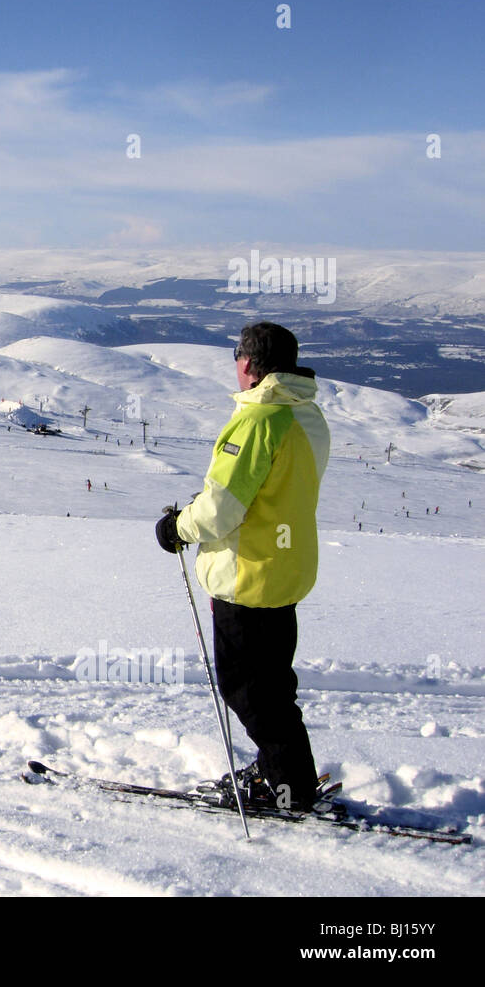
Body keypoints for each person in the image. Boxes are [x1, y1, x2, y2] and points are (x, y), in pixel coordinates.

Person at [154, 322, 330, 812]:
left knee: (249, 691)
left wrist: (177, 528)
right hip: (286, 571)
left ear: (249, 364)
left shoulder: (258, 420)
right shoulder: (307, 415)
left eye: (236, 356)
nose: (235, 365)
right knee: (274, 686)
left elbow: (220, 510)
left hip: (245, 576)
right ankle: (286, 773)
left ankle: (289, 788)